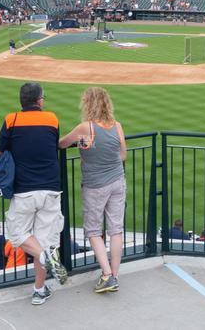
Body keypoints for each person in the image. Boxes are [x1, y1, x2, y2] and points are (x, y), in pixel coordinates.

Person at [0, 82, 69, 306]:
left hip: (25, 190)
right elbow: (52, 143)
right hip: (51, 189)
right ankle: (39, 289)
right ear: (39, 101)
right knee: (44, 242)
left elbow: (0, 149)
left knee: (18, 234)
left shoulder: (11, 120)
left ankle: (45, 260)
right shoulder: (52, 119)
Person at [59, 87, 127, 293]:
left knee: (94, 231)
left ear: (88, 104)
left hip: (95, 186)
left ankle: (107, 275)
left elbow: (61, 144)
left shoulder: (85, 127)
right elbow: (122, 155)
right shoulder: (117, 126)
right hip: (118, 181)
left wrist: (83, 145)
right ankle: (114, 275)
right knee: (116, 230)